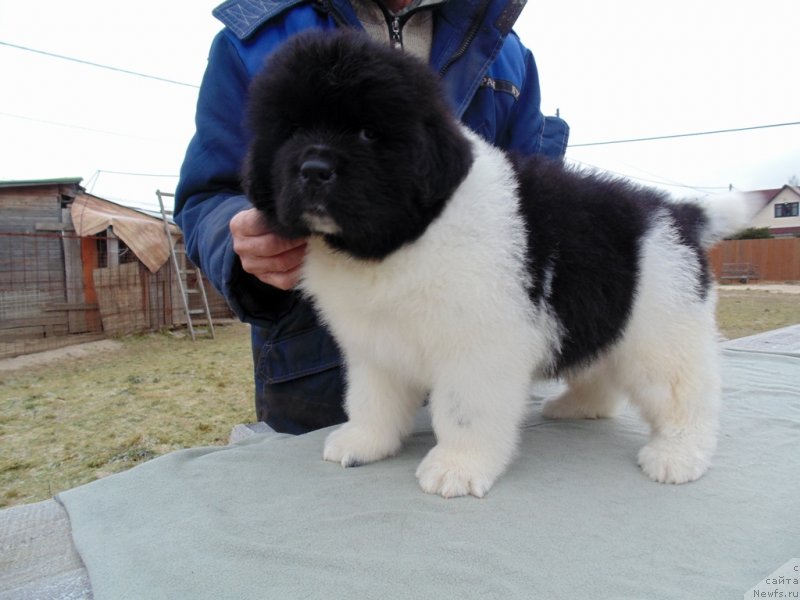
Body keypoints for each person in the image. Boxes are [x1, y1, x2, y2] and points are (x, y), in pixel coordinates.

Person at [174, 0, 570, 434]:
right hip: (320, 368)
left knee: (467, 464)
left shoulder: (504, 50)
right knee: (331, 471)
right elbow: (207, 193)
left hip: (473, 355)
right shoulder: (254, 33)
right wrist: (239, 241)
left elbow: (532, 206)